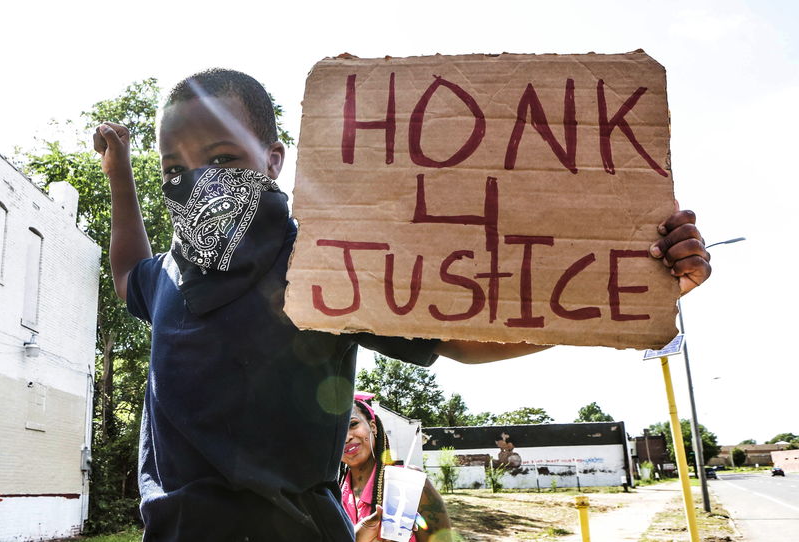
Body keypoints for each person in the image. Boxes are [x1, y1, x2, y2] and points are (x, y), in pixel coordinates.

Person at [93, 67, 711, 541]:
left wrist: (624, 291)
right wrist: (118, 169)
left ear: (274, 161)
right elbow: (126, 274)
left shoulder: (320, 260)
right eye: (173, 165)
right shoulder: (169, 277)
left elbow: (457, 339)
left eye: (223, 158)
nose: (195, 180)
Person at [339, 394, 452, 542]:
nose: (346, 437)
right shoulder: (333, 493)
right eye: (337, 432)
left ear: (373, 427)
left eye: (353, 424)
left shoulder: (411, 483)